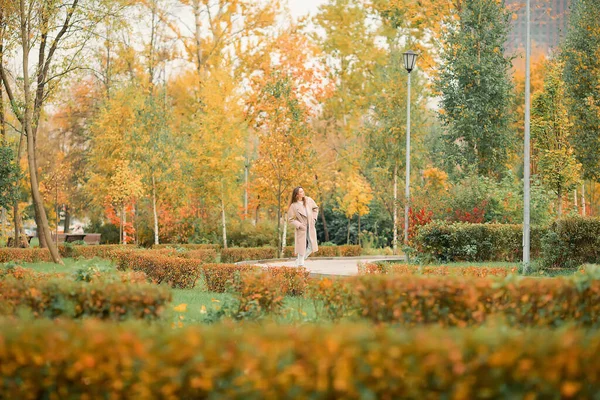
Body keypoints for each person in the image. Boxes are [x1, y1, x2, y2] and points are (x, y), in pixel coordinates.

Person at [287, 186, 319, 267]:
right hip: (302, 228)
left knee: (311, 246)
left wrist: (314, 219)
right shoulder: (293, 206)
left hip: (311, 226)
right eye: (301, 192)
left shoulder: (309, 200)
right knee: (301, 248)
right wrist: (299, 225)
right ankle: (300, 264)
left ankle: (299, 260)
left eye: (303, 191)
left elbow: (315, 209)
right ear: (297, 195)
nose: (303, 192)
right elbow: (290, 219)